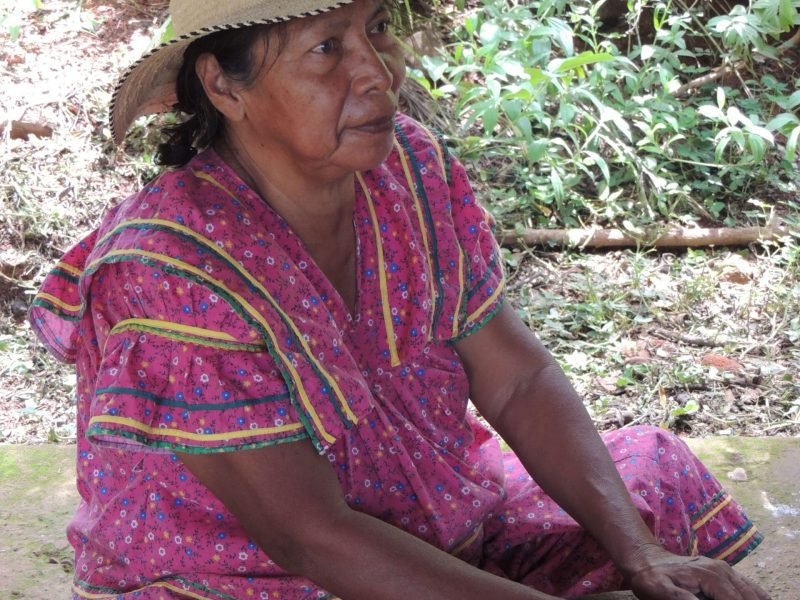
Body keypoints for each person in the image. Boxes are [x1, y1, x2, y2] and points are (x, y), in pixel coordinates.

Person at [30, 1, 769, 599]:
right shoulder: (172, 266)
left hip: (431, 517)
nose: (378, 71)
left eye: (377, 29)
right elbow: (309, 536)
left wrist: (638, 551)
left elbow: (517, 379)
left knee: (649, 478)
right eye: (326, 48)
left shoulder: (408, 169)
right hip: (248, 570)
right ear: (226, 87)